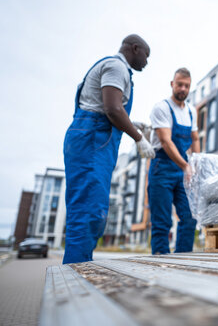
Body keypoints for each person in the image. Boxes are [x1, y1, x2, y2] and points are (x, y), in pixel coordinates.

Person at [63, 35, 155, 264]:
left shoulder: (115, 68)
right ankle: (75, 276)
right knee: (88, 213)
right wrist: (139, 137)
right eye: (146, 55)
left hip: (91, 142)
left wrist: (133, 124)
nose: (147, 62)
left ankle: (80, 269)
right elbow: (112, 109)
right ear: (135, 49)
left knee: (92, 213)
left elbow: (107, 110)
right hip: (90, 142)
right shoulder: (117, 67)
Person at [148, 67, 200, 254]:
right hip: (162, 167)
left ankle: (182, 261)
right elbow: (165, 140)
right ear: (172, 84)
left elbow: (194, 139)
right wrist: (186, 165)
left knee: (189, 217)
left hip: (183, 170)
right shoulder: (162, 108)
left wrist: (195, 163)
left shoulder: (192, 112)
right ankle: (160, 264)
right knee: (162, 221)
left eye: (187, 86)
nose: (183, 89)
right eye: (180, 84)